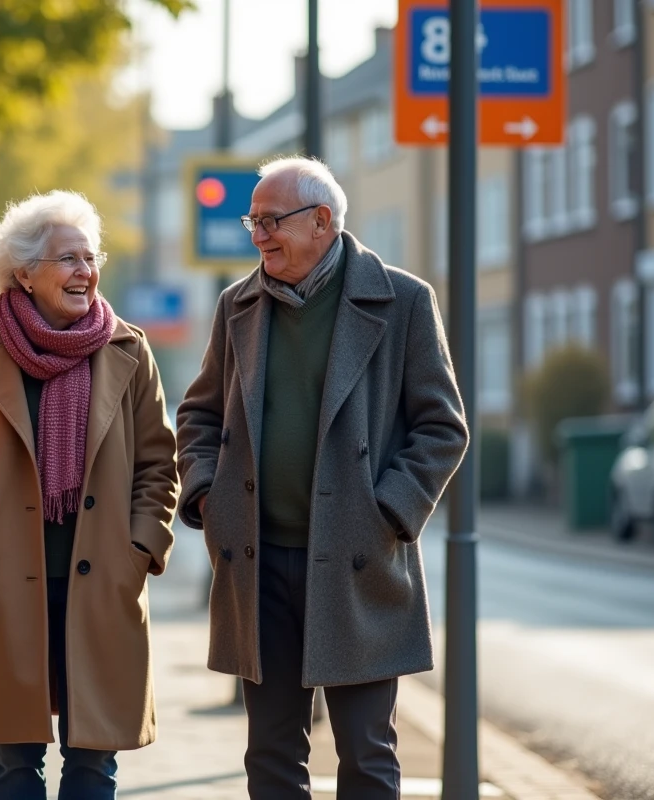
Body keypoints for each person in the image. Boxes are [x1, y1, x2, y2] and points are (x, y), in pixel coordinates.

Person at [175, 156, 469, 798]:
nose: (257, 234)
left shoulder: (404, 301)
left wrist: (389, 511)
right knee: (271, 754)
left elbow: (443, 428)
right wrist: (206, 496)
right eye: (252, 220)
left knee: (366, 755)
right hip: (259, 563)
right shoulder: (238, 304)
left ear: (322, 221)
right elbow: (198, 412)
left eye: (269, 220)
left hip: (358, 562)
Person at [0, 190, 179, 800]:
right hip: (5, 584)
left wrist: (138, 550)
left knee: (93, 765)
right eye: (68, 259)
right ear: (24, 273)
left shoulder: (128, 351)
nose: (85, 271)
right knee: (14, 763)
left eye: (90, 257)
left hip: (101, 584)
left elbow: (158, 465)